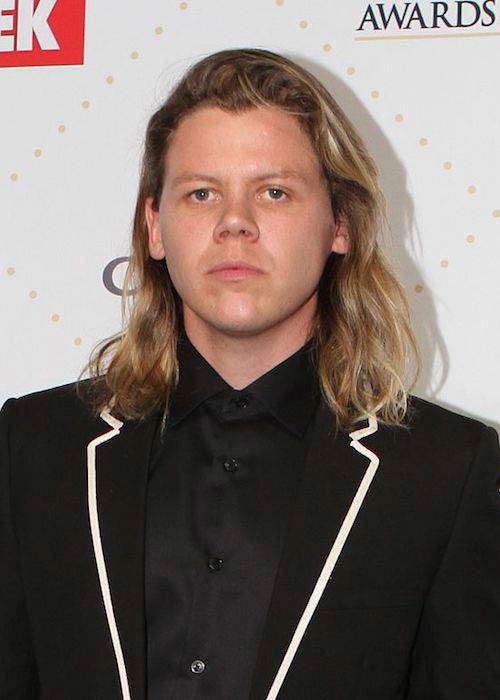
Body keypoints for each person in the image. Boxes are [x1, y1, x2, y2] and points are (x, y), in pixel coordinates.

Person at [1, 48, 499, 700]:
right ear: (155, 227)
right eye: (202, 193)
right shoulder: (35, 448)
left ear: (339, 225)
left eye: (274, 191)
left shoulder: (447, 473)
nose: (235, 223)